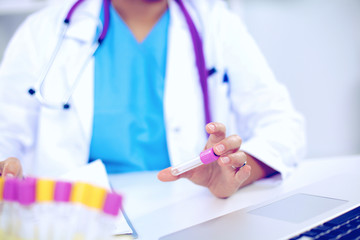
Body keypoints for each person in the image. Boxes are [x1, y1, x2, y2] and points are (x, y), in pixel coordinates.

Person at [0, 0, 305, 198]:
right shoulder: (44, 30)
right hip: (77, 217)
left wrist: (234, 170)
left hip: (187, 212)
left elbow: (283, 125)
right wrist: (6, 169)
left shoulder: (216, 24)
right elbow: (6, 134)